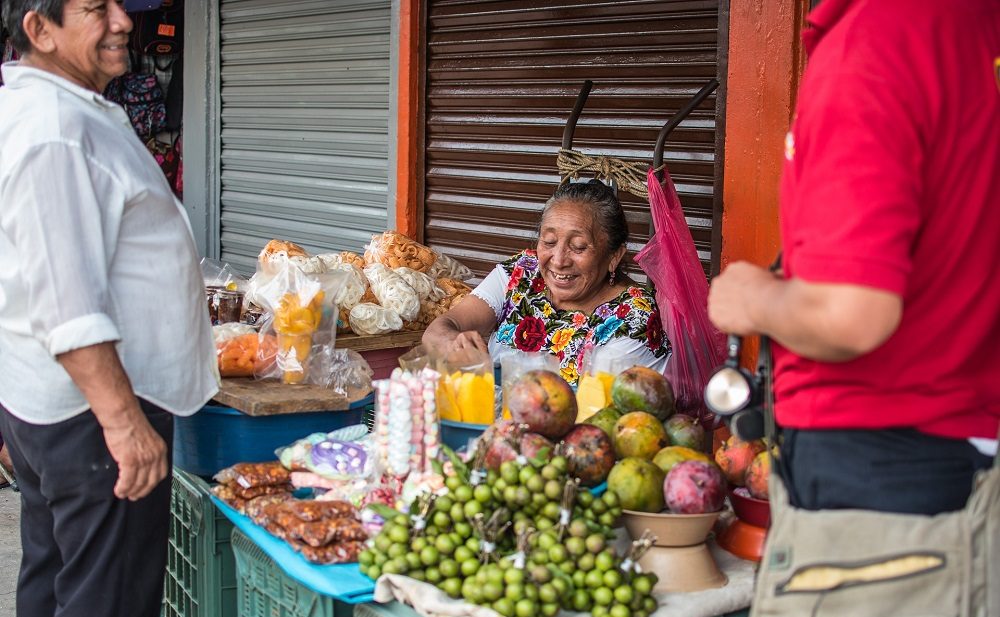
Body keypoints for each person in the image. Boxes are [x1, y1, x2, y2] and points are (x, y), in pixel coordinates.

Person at [708, 0, 999, 513]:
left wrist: (750, 299)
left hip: (882, 472)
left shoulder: (874, 45)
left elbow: (850, 316)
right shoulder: (971, 28)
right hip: (967, 451)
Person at [0, 2, 217, 617]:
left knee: (56, 583)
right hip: (92, 418)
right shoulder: (55, 130)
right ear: (40, 30)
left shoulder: (51, 109)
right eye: (96, 9)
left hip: (45, 405)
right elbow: (67, 301)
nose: (123, 20)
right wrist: (123, 423)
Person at [423, 179, 670, 386]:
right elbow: (440, 329)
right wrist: (453, 345)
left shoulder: (633, 319)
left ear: (614, 256)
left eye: (579, 247)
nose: (559, 260)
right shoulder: (523, 272)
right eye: (549, 242)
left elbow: (601, 416)